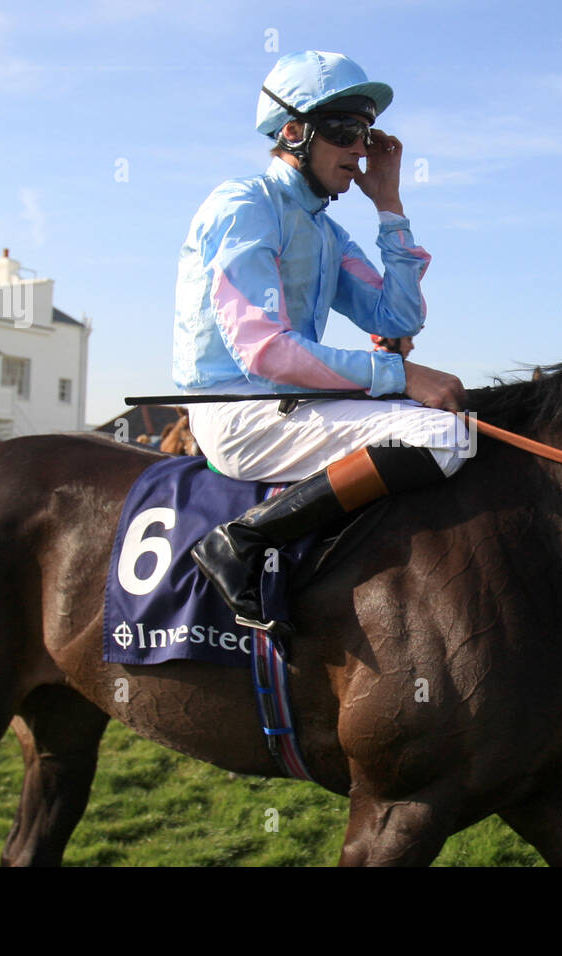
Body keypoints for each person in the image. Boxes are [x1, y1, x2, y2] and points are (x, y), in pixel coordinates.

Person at [172, 51, 468, 635]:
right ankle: (243, 541)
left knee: (462, 416)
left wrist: (389, 205)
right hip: (238, 412)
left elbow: (398, 316)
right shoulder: (243, 206)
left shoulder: (327, 232)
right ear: (292, 132)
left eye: (366, 133)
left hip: (290, 402)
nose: (360, 149)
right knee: (440, 435)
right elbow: (267, 353)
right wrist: (402, 376)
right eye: (343, 132)